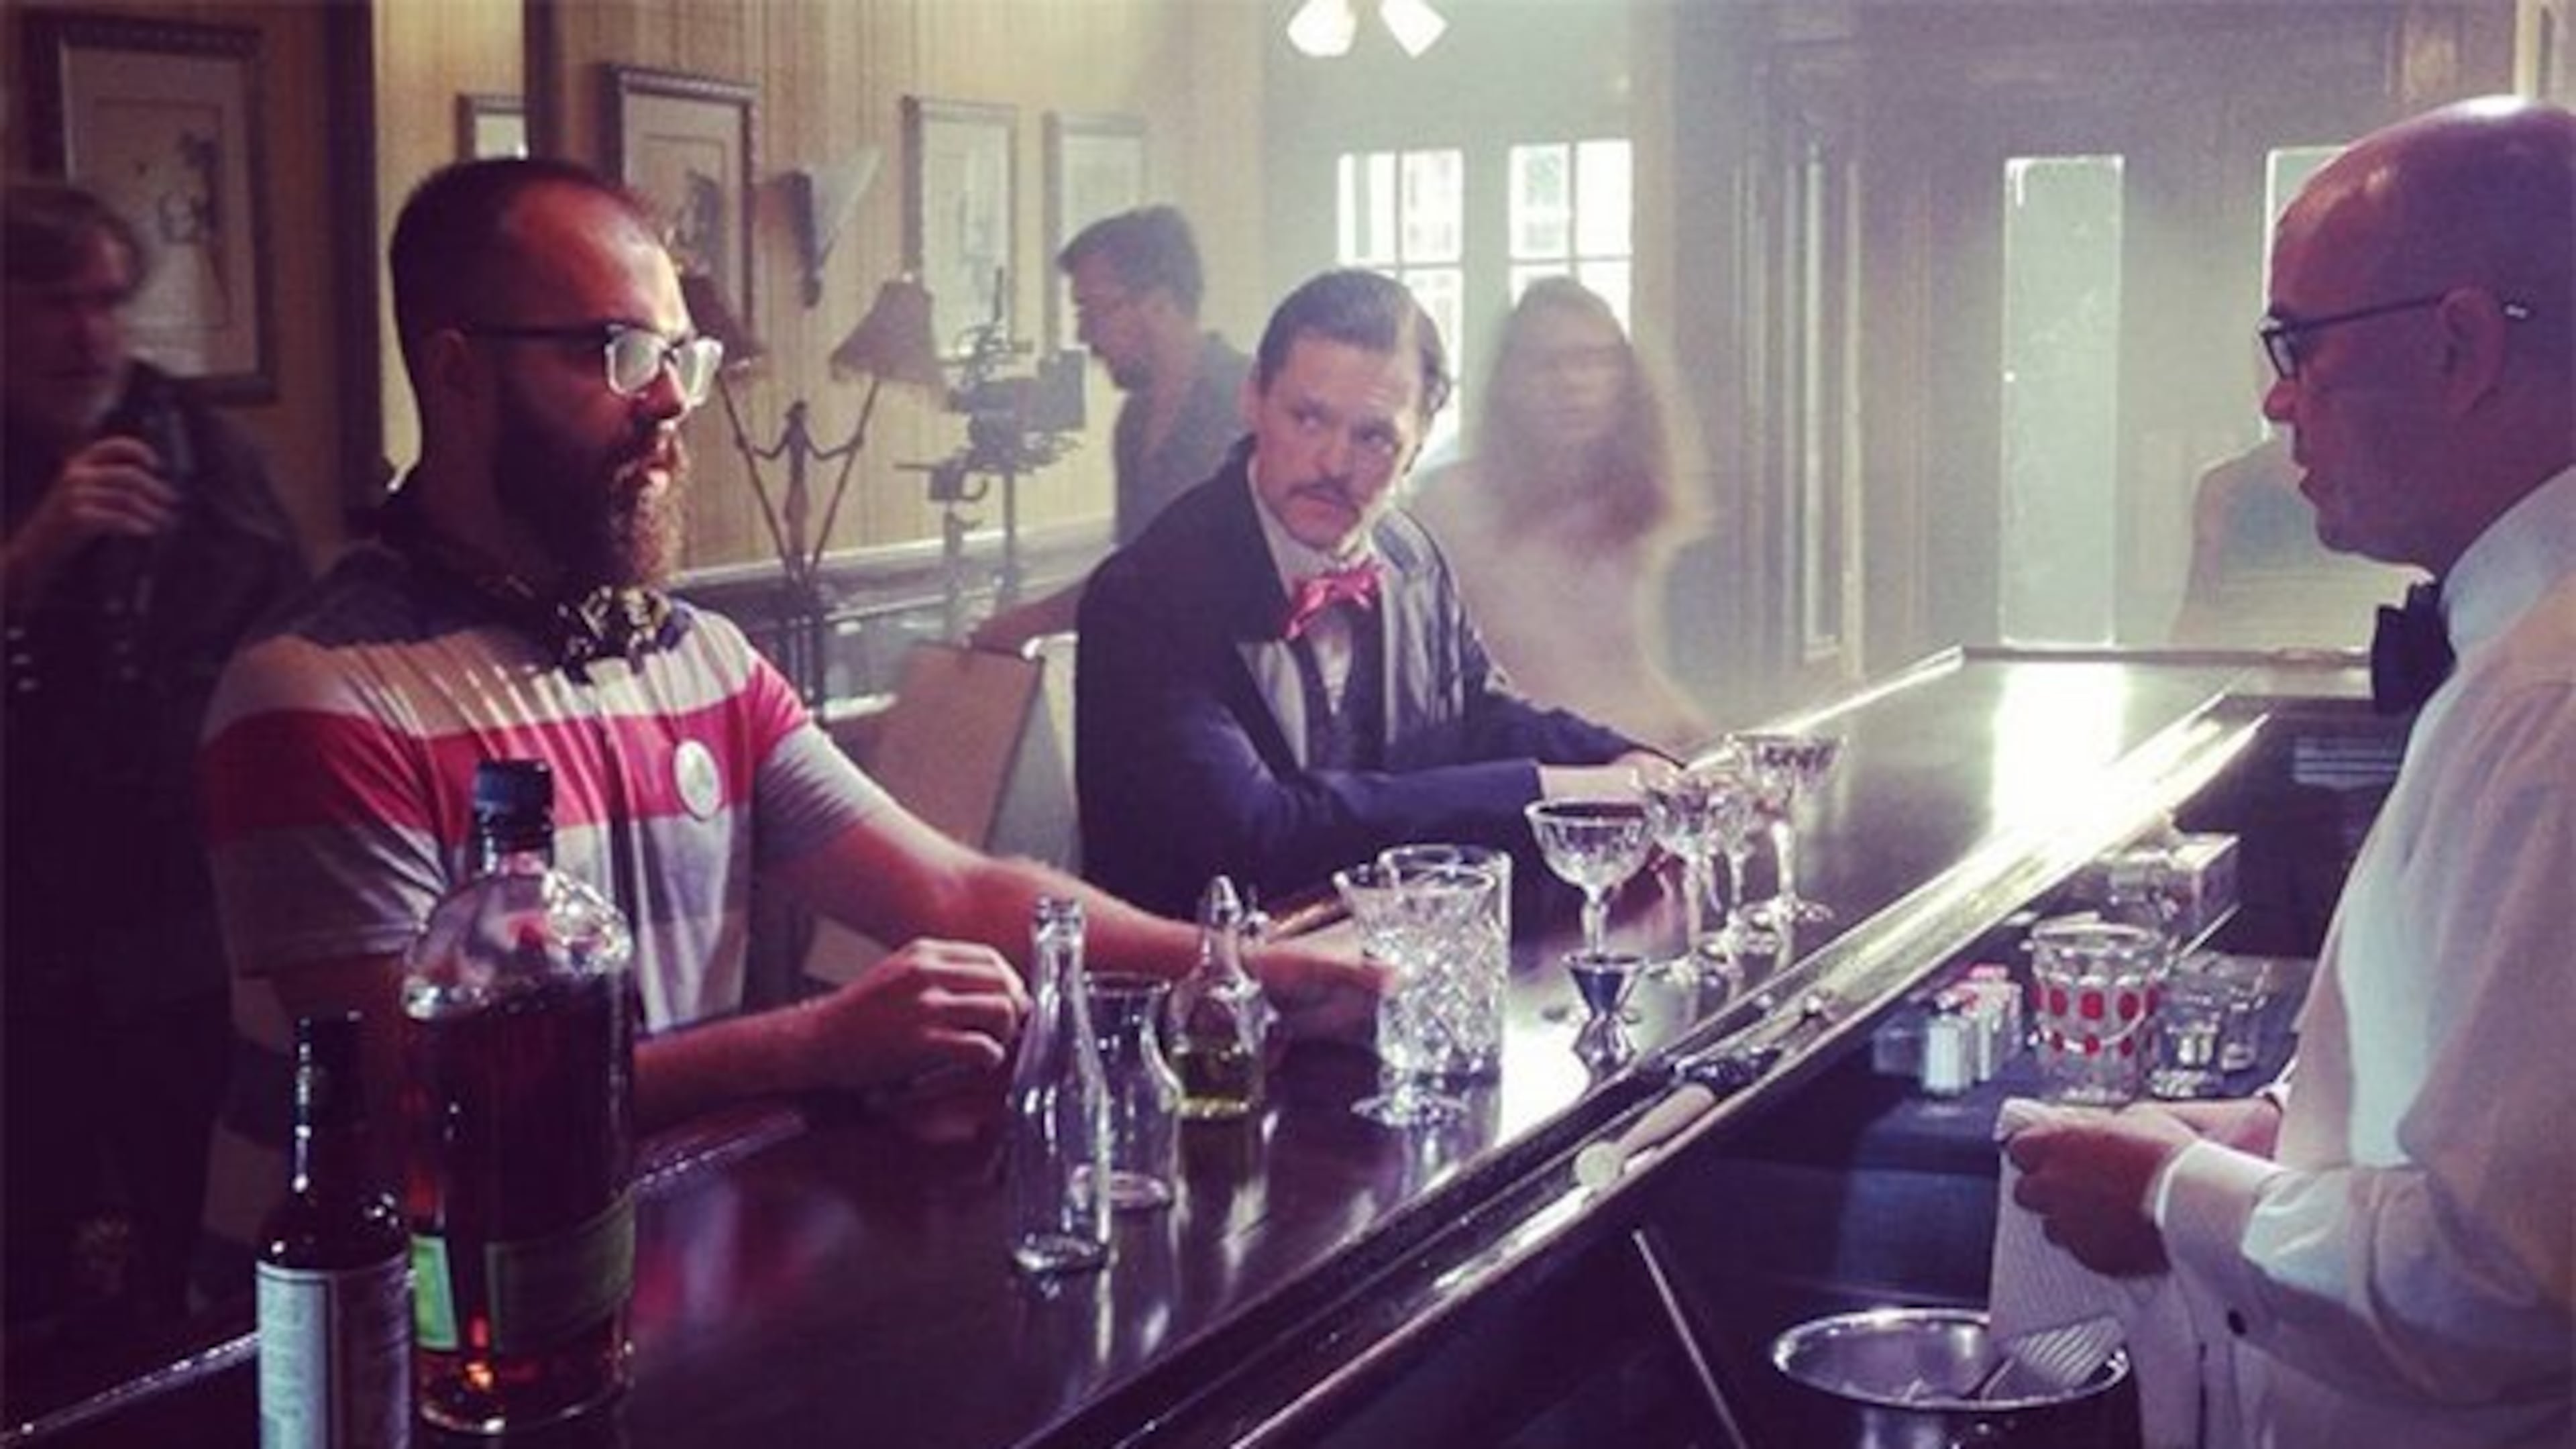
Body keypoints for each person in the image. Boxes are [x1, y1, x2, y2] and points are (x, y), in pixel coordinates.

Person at [194, 160, 1375, 1286]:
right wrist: (811, 1045)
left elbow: (958, 892)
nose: (667, 401)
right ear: (456, 373)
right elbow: (416, 1096)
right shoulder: (318, 694)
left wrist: (1252, 967)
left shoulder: (700, 658)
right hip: (371, 1334)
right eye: (615, 353)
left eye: (676, 356)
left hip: (641, 1280)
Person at [2006, 97, 2575, 1448]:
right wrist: (2283, 1126)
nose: (2273, 395)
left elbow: (2502, 1284)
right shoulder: (2517, 654)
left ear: (2460, 345)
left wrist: (2170, 1194)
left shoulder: (2553, 708)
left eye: (2299, 343)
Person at [1074, 267, 1658, 918]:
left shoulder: (1411, 556)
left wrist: (1630, 763)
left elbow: (1477, 713)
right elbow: (1254, 836)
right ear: (1253, 399)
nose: (1333, 462)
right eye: (1308, 419)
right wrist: (1554, 789)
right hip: (1194, 1000)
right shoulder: (1146, 597)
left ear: (1417, 445)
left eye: (1374, 436)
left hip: (1391, 967)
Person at [1, 180, 308, 1334]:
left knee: (197, 1238)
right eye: (49, 304)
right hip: (16, 939)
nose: (88, 335)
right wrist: (37, 548)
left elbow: (289, 638)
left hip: (177, 928)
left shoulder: (196, 450)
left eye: (107, 302)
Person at [1409, 278, 1706, 751]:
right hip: (1536, 783)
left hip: (1650, 767)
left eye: (1595, 360)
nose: (1573, 382)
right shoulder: (1452, 506)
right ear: (1510, 379)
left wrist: (1705, 739)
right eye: (1548, 363)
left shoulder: (1629, 504)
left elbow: (1624, 668)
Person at [968, 206, 1250, 655]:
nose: (1083, 333)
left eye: (1093, 310)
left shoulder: (1247, 405)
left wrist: (1029, 621)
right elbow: (1134, 566)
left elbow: (1177, 569)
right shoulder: (1135, 419)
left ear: (1159, 304)